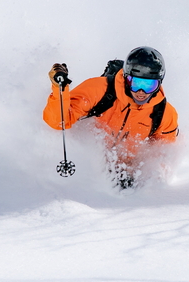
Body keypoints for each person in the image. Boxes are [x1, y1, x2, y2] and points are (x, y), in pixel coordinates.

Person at [44, 46, 179, 187]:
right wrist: (60, 88)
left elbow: (163, 155)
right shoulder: (99, 89)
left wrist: (142, 178)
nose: (141, 91)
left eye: (149, 85)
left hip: (128, 176)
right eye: (136, 83)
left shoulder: (163, 113)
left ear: (159, 83)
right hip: (88, 169)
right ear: (127, 79)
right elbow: (59, 122)